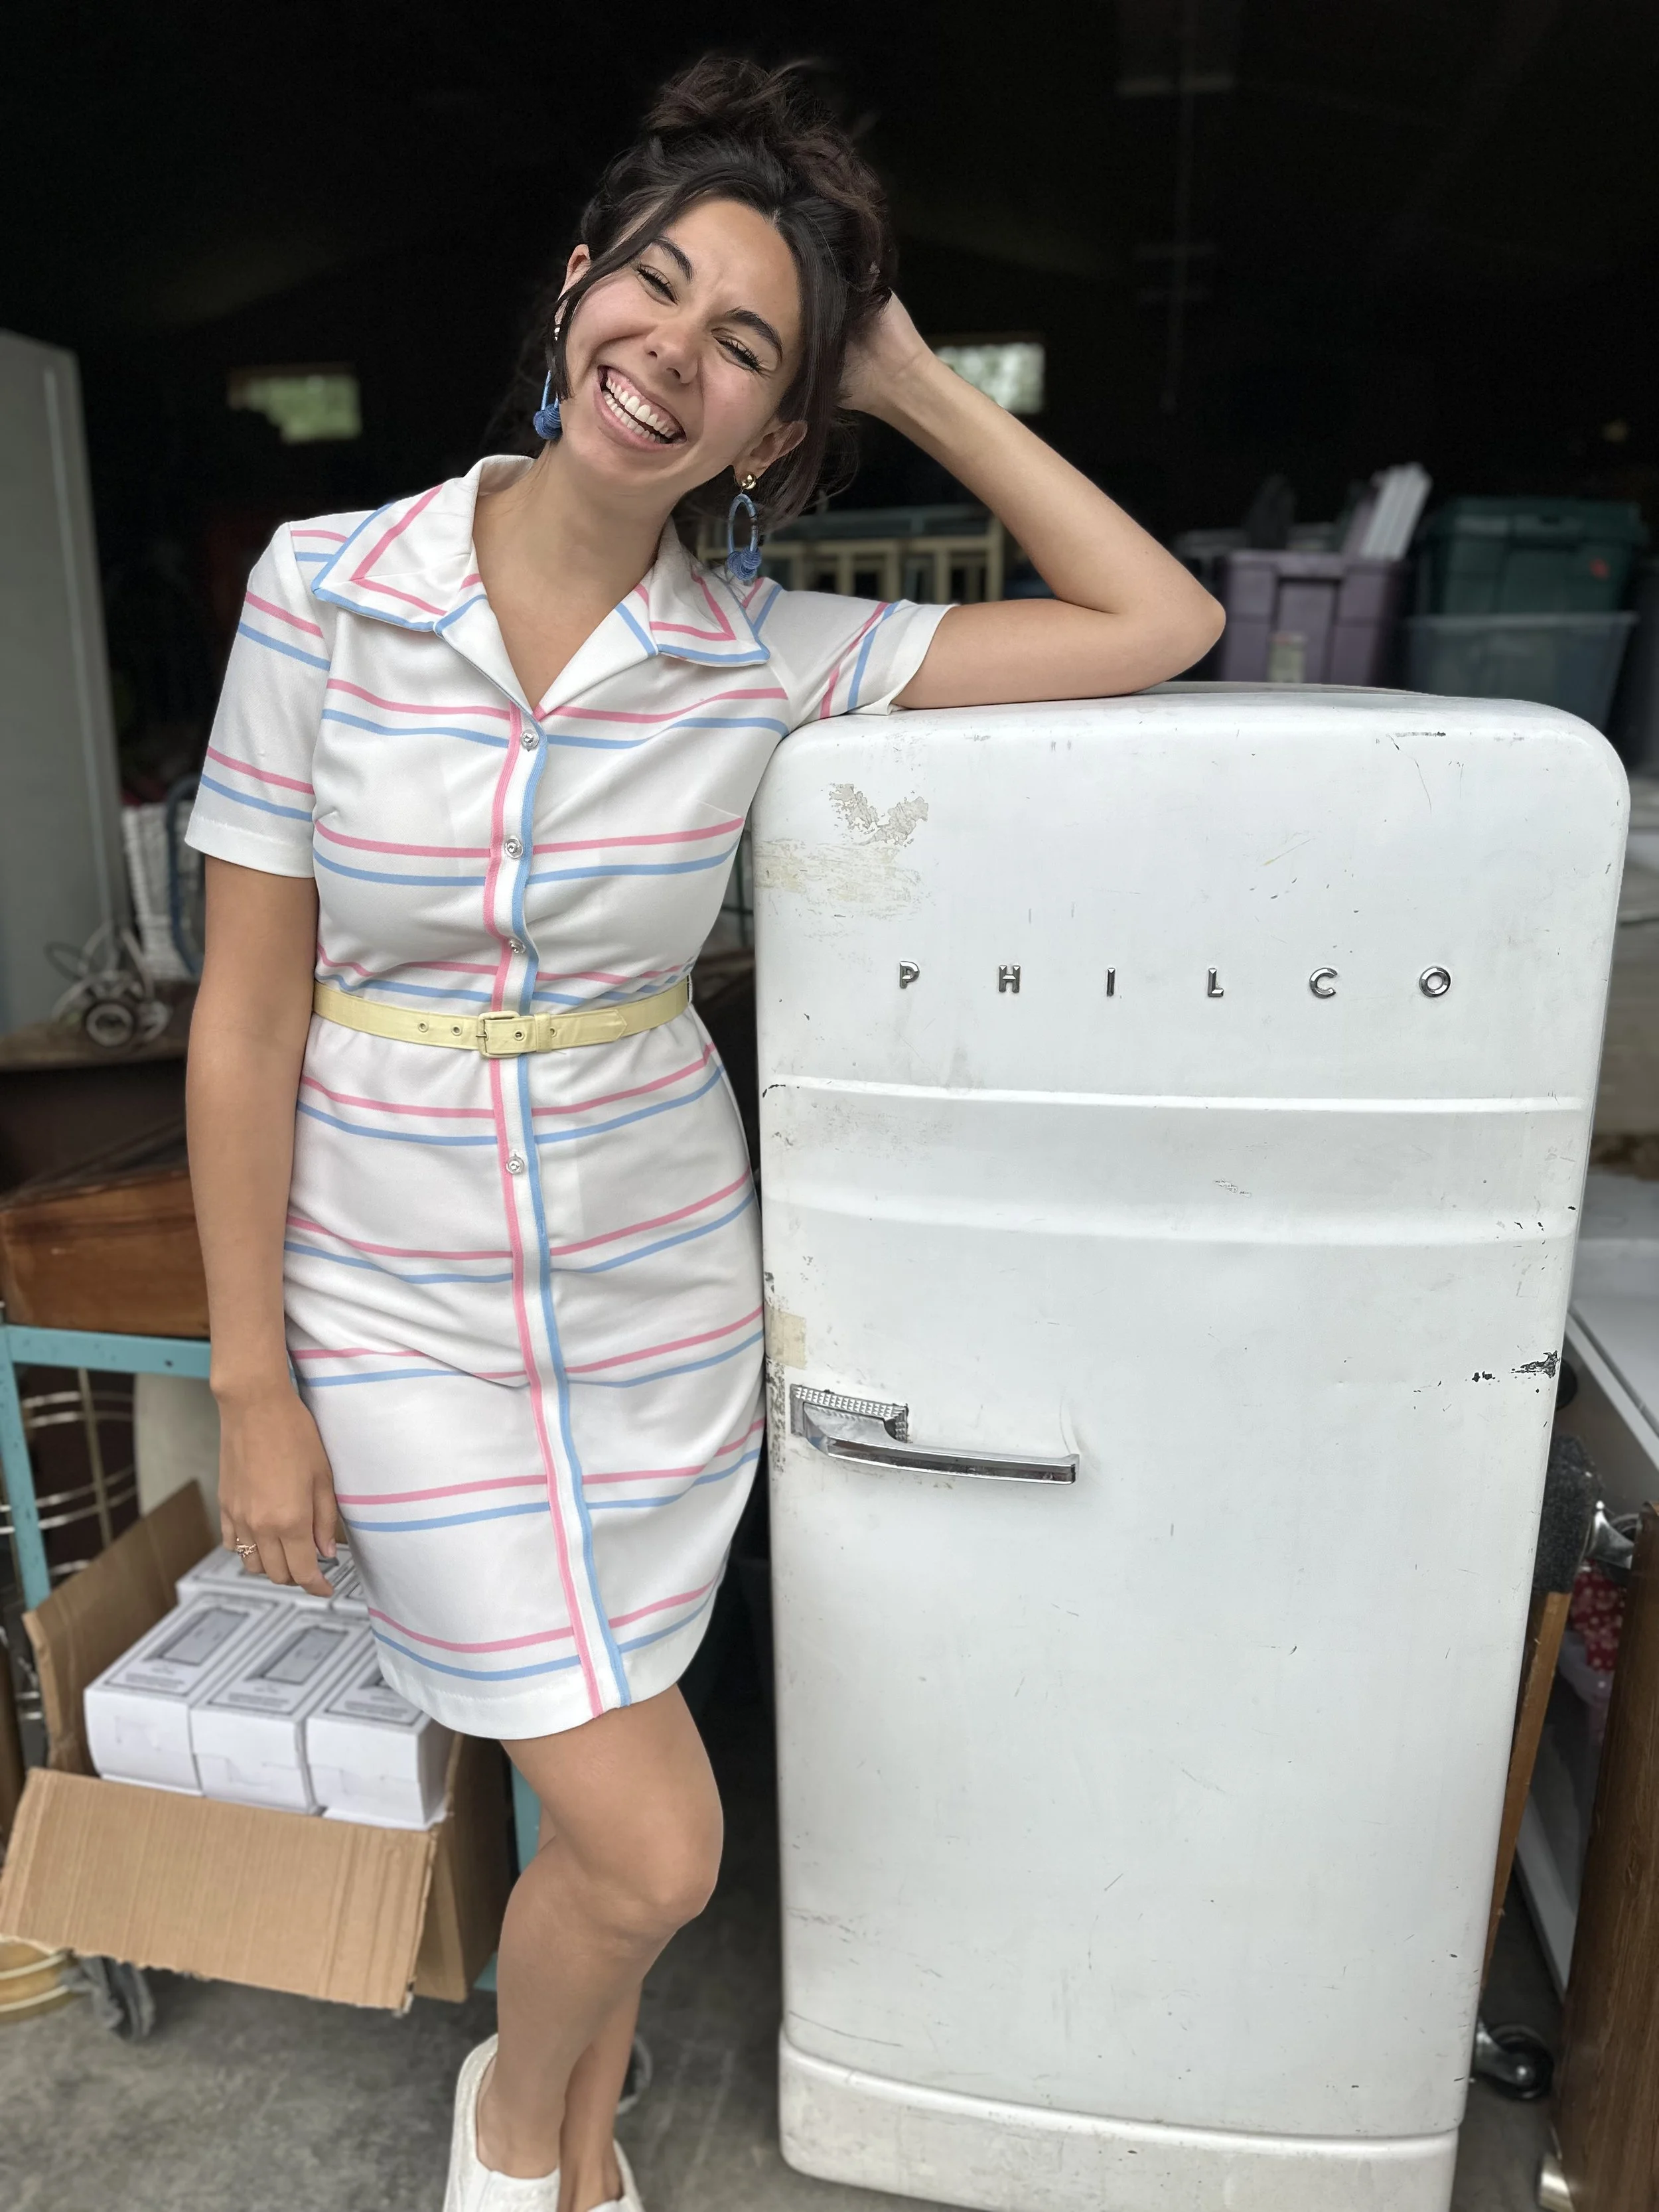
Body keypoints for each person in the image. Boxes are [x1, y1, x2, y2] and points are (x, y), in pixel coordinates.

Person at [184, 54, 1222, 2212]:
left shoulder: (759, 653)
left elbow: (1158, 621)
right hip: (392, 1307)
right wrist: (254, 1382)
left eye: (747, 345)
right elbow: (249, 1010)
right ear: (577, 289)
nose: (673, 349)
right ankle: (507, 2120)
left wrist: (907, 378)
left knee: (614, 1800)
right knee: (657, 1838)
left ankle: (580, 2133)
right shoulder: (326, 585)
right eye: (653, 289)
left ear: (771, 431)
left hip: (657, 1311)